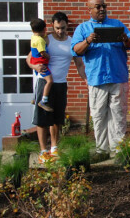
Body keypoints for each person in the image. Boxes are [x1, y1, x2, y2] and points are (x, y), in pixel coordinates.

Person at [72, 0, 130, 161]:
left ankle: (119, 150)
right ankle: (102, 150)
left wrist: (125, 39)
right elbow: (76, 50)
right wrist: (88, 40)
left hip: (118, 77)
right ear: (89, 10)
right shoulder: (83, 28)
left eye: (104, 6)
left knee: (118, 114)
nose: (102, 9)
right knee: (99, 115)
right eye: (98, 7)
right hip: (97, 79)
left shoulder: (117, 24)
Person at [27, 12, 87, 163]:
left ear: (67, 26)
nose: (60, 31)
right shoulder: (45, 39)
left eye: (63, 28)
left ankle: (54, 148)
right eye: (57, 28)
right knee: (42, 118)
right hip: (44, 82)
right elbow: (29, 58)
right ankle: (43, 151)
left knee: (57, 118)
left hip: (61, 83)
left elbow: (79, 64)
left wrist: (85, 79)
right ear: (52, 26)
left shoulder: (72, 42)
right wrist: (34, 66)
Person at [30, 18, 54, 112]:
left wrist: (50, 33)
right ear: (44, 28)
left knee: (38, 80)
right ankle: (43, 100)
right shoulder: (40, 41)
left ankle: (35, 98)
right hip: (41, 64)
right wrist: (49, 57)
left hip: (35, 62)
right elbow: (42, 52)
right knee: (49, 81)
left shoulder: (33, 37)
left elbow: (43, 35)